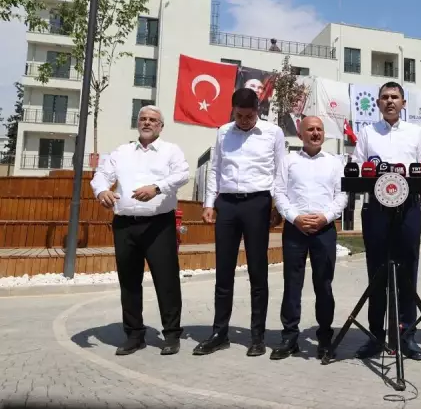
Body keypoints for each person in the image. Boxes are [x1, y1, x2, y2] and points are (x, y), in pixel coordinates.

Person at [194, 88, 286, 357]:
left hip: (258, 203)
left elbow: (280, 171)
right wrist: (209, 203)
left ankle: (257, 336)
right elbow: (216, 169)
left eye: (249, 116)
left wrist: (277, 205)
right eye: (239, 116)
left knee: (258, 271)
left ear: (258, 111)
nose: (244, 121)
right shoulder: (223, 132)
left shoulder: (273, 133)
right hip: (227, 205)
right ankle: (219, 333)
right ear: (232, 111)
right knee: (223, 271)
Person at [90, 105, 189, 356]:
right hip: (125, 225)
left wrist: (157, 187)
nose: (147, 122)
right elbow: (101, 175)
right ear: (137, 123)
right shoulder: (121, 152)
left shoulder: (171, 151)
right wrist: (101, 191)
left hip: (159, 225)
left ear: (161, 126)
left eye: (153, 120)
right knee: (129, 281)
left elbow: (182, 175)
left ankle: (171, 334)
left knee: (166, 280)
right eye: (143, 119)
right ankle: (134, 335)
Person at [351, 81, 421, 360]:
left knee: (408, 272)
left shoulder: (416, 132)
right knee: (377, 272)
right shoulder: (367, 132)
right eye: (384, 97)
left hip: (408, 209)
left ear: (403, 103)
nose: (389, 101)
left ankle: (406, 337)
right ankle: (376, 336)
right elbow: (357, 167)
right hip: (376, 210)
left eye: (395, 97)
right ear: (377, 103)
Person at [271, 116, 348, 360]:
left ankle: (324, 337)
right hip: (295, 229)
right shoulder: (289, 161)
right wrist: (295, 218)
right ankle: (289, 337)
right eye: (310, 129)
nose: (315, 133)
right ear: (300, 134)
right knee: (292, 285)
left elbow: (342, 195)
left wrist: (325, 217)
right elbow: (279, 193)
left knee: (324, 285)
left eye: (319, 129)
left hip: (324, 230)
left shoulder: (335, 162)